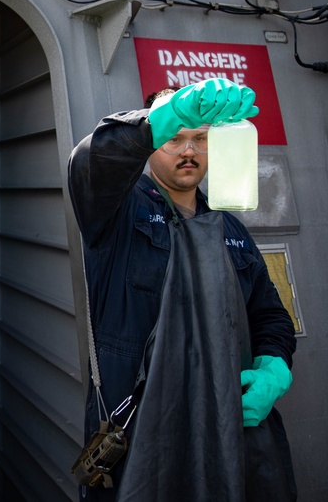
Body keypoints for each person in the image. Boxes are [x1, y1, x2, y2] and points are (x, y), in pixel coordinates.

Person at [67, 78, 297, 501]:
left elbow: (270, 314)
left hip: (224, 429)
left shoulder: (231, 229)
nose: (188, 150)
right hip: (140, 430)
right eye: (174, 137)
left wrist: (274, 367)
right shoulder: (117, 211)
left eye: (200, 139)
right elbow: (91, 162)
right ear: (151, 142)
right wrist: (163, 116)